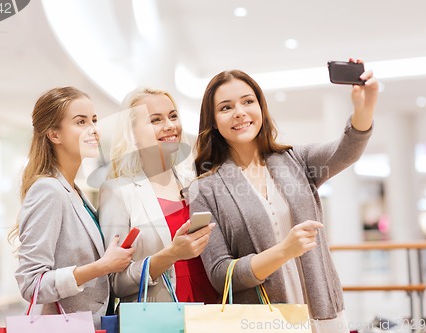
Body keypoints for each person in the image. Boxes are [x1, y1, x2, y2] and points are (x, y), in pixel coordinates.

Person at [189, 61, 378, 333]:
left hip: (322, 312)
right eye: (226, 107)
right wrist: (284, 251)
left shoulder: (295, 160)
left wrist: (364, 108)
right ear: (214, 122)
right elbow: (221, 275)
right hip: (264, 322)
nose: (240, 112)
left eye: (247, 101)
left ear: (261, 108)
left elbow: (347, 149)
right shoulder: (205, 189)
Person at [10, 87, 134, 328]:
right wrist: (102, 267)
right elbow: (30, 283)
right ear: (54, 134)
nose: (93, 130)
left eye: (94, 120)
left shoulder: (74, 192)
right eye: (81, 122)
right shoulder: (48, 190)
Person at [99, 87, 218, 304]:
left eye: (173, 116)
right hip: (161, 317)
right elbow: (114, 282)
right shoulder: (117, 191)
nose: (170, 125)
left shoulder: (194, 182)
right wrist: (170, 255)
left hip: (210, 311)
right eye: (156, 120)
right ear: (132, 134)